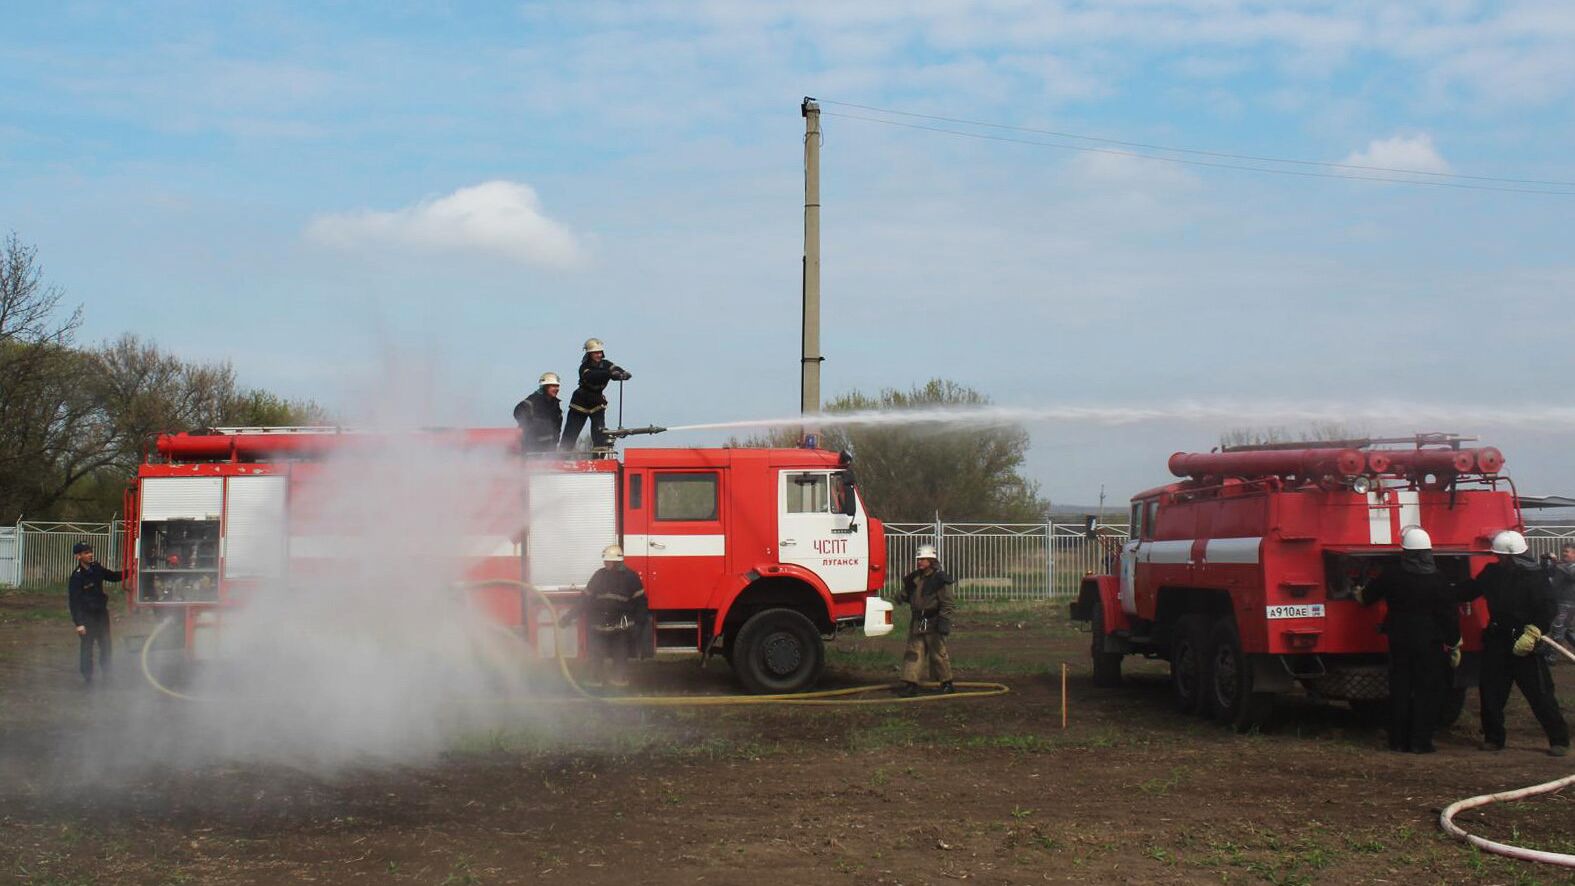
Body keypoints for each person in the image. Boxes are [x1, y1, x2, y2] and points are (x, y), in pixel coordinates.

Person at [1458, 530, 1570, 756]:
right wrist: (1442, 590)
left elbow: (1548, 608)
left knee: (1540, 694)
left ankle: (1559, 740)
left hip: (1525, 643)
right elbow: (1471, 590)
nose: (1498, 559)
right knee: (1490, 692)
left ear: (1512, 556)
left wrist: (1535, 631)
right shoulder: (1492, 573)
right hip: (1497, 641)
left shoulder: (1535, 577)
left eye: (1501, 556)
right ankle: (1493, 738)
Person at [1354, 526, 1459, 753]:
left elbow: (1367, 597)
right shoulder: (1438, 579)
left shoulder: (1392, 575)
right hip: (1430, 643)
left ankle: (1398, 741)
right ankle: (1421, 742)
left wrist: (1358, 591)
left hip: (1399, 640)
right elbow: (1448, 614)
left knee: (1400, 689)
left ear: (1405, 552)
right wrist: (1454, 642)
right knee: (1427, 692)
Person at [559, 543, 647, 687]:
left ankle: (619, 686)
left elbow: (641, 603)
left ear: (617, 561)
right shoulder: (599, 575)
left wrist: (639, 624)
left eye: (608, 560)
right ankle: (595, 683)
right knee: (596, 656)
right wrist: (568, 617)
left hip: (621, 626)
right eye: (605, 560)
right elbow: (585, 600)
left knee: (620, 657)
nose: (605, 563)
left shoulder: (631, 577)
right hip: (600, 624)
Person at [894, 544, 956, 697]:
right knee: (913, 652)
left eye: (923, 559)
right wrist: (901, 596)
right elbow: (908, 593)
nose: (920, 562)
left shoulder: (939, 580)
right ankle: (911, 684)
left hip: (933, 620)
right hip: (917, 620)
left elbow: (947, 603)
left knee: (938, 653)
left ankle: (946, 682)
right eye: (919, 559)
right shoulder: (914, 578)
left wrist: (944, 621)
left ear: (931, 560)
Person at [560, 338, 631, 451]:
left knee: (599, 433)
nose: (598, 355)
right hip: (580, 403)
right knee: (571, 433)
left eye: (600, 352)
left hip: (597, 402)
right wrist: (609, 373)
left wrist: (623, 374)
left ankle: (599, 457)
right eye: (595, 353)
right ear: (589, 354)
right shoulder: (584, 367)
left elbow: (615, 369)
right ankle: (561, 457)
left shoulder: (606, 364)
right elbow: (592, 376)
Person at [67, 542, 123, 685]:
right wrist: (79, 624)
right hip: (87, 618)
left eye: (90, 552)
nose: (90, 554)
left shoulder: (96, 568)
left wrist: (132, 571)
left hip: (101, 615)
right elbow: (74, 602)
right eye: (86, 553)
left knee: (105, 645)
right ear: (78, 556)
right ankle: (88, 678)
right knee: (87, 647)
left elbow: (112, 576)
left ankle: (107, 674)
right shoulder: (77, 578)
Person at [513, 372, 564, 452]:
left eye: (557, 386)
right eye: (553, 386)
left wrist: (555, 442)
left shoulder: (555, 405)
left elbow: (557, 426)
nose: (556, 389)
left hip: (549, 449)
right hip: (531, 448)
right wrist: (529, 426)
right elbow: (518, 412)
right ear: (545, 386)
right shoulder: (533, 400)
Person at [1542, 544, 1575, 665]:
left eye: (1567, 552)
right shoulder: (1561, 565)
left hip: (1568, 604)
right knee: (1567, 631)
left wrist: (1556, 561)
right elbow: (1546, 573)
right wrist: (1545, 561)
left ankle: (1552, 657)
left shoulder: (1571, 567)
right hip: (1559, 602)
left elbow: (1571, 574)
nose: (1564, 553)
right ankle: (1547, 651)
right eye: (1564, 551)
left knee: (1558, 629)